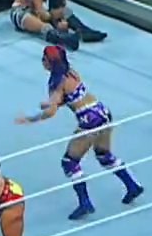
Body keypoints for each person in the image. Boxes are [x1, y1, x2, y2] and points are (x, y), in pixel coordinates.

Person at [15, 44, 144, 221]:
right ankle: (132, 185)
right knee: (104, 155)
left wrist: (30, 119)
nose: (42, 62)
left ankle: (85, 203)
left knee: (69, 162)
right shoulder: (72, 73)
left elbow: (51, 112)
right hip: (102, 112)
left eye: (44, 59)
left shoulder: (55, 83)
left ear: (50, 62)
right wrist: (53, 102)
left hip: (88, 119)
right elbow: (71, 96)